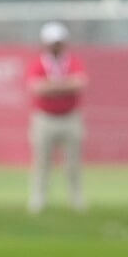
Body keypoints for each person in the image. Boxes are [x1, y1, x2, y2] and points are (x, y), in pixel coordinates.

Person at [26, 21, 88, 213]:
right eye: (52, 42)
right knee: (42, 162)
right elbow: (36, 88)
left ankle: (77, 200)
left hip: (70, 117)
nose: (56, 46)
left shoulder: (73, 62)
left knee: (73, 163)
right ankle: (38, 201)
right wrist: (64, 85)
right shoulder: (38, 64)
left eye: (59, 42)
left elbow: (80, 83)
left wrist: (51, 86)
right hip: (45, 118)